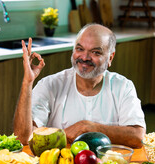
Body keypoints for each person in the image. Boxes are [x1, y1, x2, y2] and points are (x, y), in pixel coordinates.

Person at [13, 23, 146, 148]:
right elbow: (23, 138)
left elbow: (138, 137)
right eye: (80, 49)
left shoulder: (123, 86)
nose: (85, 57)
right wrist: (27, 82)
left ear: (110, 58)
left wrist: (89, 127)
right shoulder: (50, 84)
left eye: (96, 52)